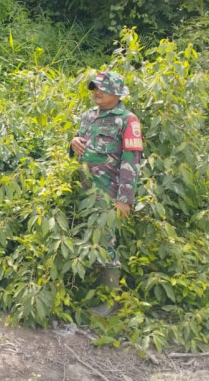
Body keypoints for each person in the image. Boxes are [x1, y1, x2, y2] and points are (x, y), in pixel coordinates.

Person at [69, 71, 143, 317]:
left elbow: (131, 161)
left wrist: (124, 200)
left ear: (118, 92)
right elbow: (78, 148)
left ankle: (112, 303)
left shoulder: (128, 120)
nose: (96, 91)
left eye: (102, 88)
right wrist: (72, 144)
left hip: (107, 195)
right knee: (86, 239)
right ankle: (87, 289)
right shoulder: (88, 116)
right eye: (94, 87)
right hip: (83, 191)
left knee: (106, 244)